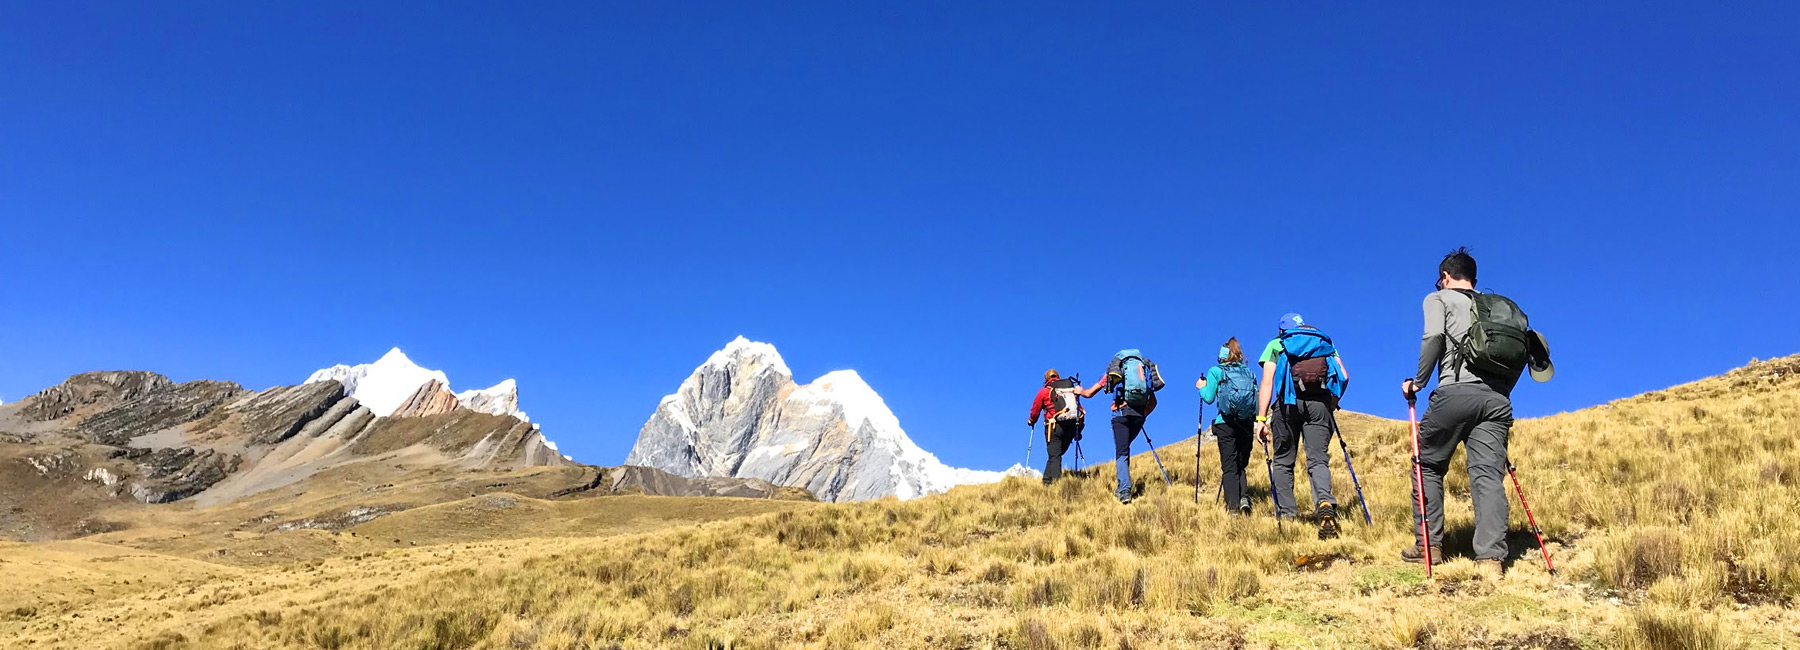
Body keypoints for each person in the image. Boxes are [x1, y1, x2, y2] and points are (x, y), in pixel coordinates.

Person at [1401, 247, 1528, 568]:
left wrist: (1417, 382)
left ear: (1445, 277)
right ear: (1472, 278)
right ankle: (1491, 558)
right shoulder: (1496, 307)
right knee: (1487, 476)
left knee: (1426, 464)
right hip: (1497, 399)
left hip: (1455, 392)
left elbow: (1433, 337)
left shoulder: (1438, 299)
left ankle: (1429, 546)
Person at [1254, 313, 1351, 539]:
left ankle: (1288, 515)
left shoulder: (1277, 344)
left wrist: (1260, 420)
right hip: (1319, 405)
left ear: (1281, 330)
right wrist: (1333, 402)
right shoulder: (1322, 342)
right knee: (1318, 460)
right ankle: (1324, 502)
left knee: (1284, 461)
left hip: (1287, 406)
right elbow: (1344, 376)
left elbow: (1267, 383)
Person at [1077, 349, 1165, 504]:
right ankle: (1123, 486)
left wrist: (1080, 391)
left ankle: (1124, 491)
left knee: (1122, 452)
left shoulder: (1115, 370)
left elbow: (1089, 393)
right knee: (1125, 449)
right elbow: (1154, 402)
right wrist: (1143, 414)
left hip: (1121, 415)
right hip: (1138, 416)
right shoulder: (1143, 372)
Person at [1197, 338, 1257, 515]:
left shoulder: (1216, 371)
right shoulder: (1249, 373)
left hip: (1226, 424)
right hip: (1246, 423)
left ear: (1220, 357)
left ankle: (1233, 508)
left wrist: (1202, 386)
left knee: (1229, 466)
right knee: (1241, 465)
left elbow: (1208, 398)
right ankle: (1244, 497)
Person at [1026, 369, 1084, 484]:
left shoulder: (1044, 392)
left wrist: (1031, 421)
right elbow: (1079, 409)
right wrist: (1079, 430)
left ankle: (1057, 484)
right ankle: (1046, 482)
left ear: (1046, 379)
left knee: (1054, 455)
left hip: (1053, 427)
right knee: (1055, 455)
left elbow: (1035, 410)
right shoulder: (1069, 390)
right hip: (1071, 426)